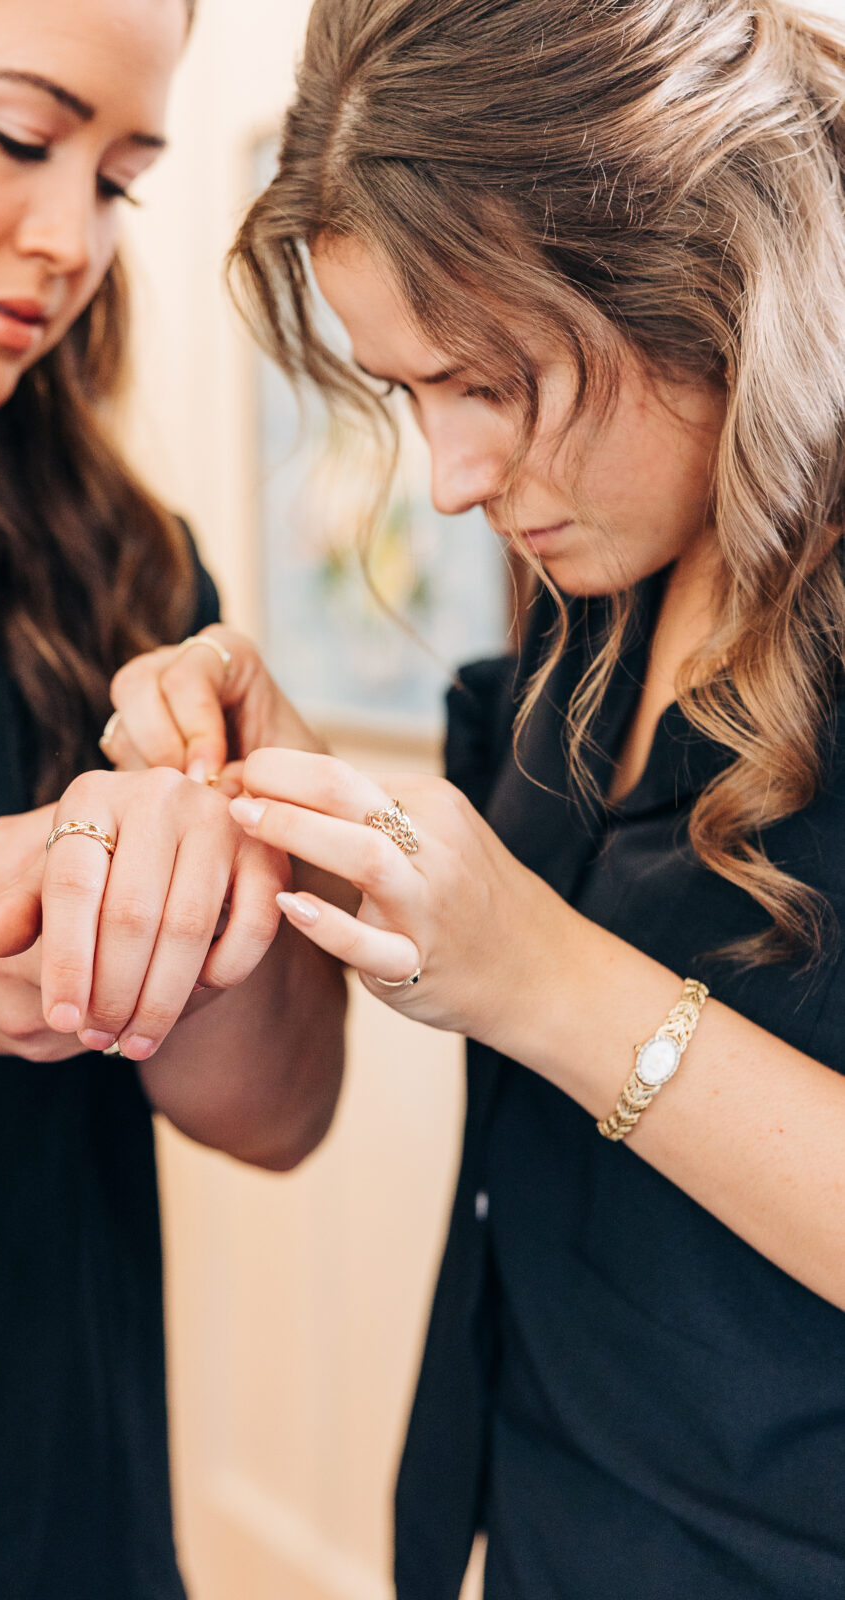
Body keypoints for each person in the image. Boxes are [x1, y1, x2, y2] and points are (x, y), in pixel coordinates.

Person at [111, 0, 845, 1593]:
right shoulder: (593, 614)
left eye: (492, 383)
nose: (449, 477)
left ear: (704, 275)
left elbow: (542, 976)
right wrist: (283, 779)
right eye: (407, 396)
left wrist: (552, 984)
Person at [0, 1, 346, 1595]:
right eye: (21, 139)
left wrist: (211, 884)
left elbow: (276, 1120)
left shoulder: (132, 573)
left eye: (118, 179)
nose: (67, 238)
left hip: (54, 1520)